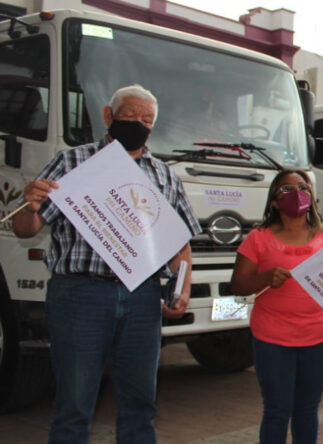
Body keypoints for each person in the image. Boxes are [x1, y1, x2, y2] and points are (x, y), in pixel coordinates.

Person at [12, 84, 201, 443]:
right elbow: (27, 229)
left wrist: (183, 285)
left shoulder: (165, 175)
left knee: (140, 405)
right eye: (130, 116)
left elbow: (180, 244)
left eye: (147, 119)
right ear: (108, 116)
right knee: (74, 404)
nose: (139, 124)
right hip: (80, 295)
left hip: (142, 299)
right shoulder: (73, 162)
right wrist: (32, 206)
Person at [229, 169, 323, 444]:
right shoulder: (258, 238)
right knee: (277, 411)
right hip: (272, 339)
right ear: (274, 202)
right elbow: (238, 286)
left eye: (303, 188)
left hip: (318, 338)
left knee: (306, 410)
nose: (297, 194)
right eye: (287, 190)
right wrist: (263, 278)